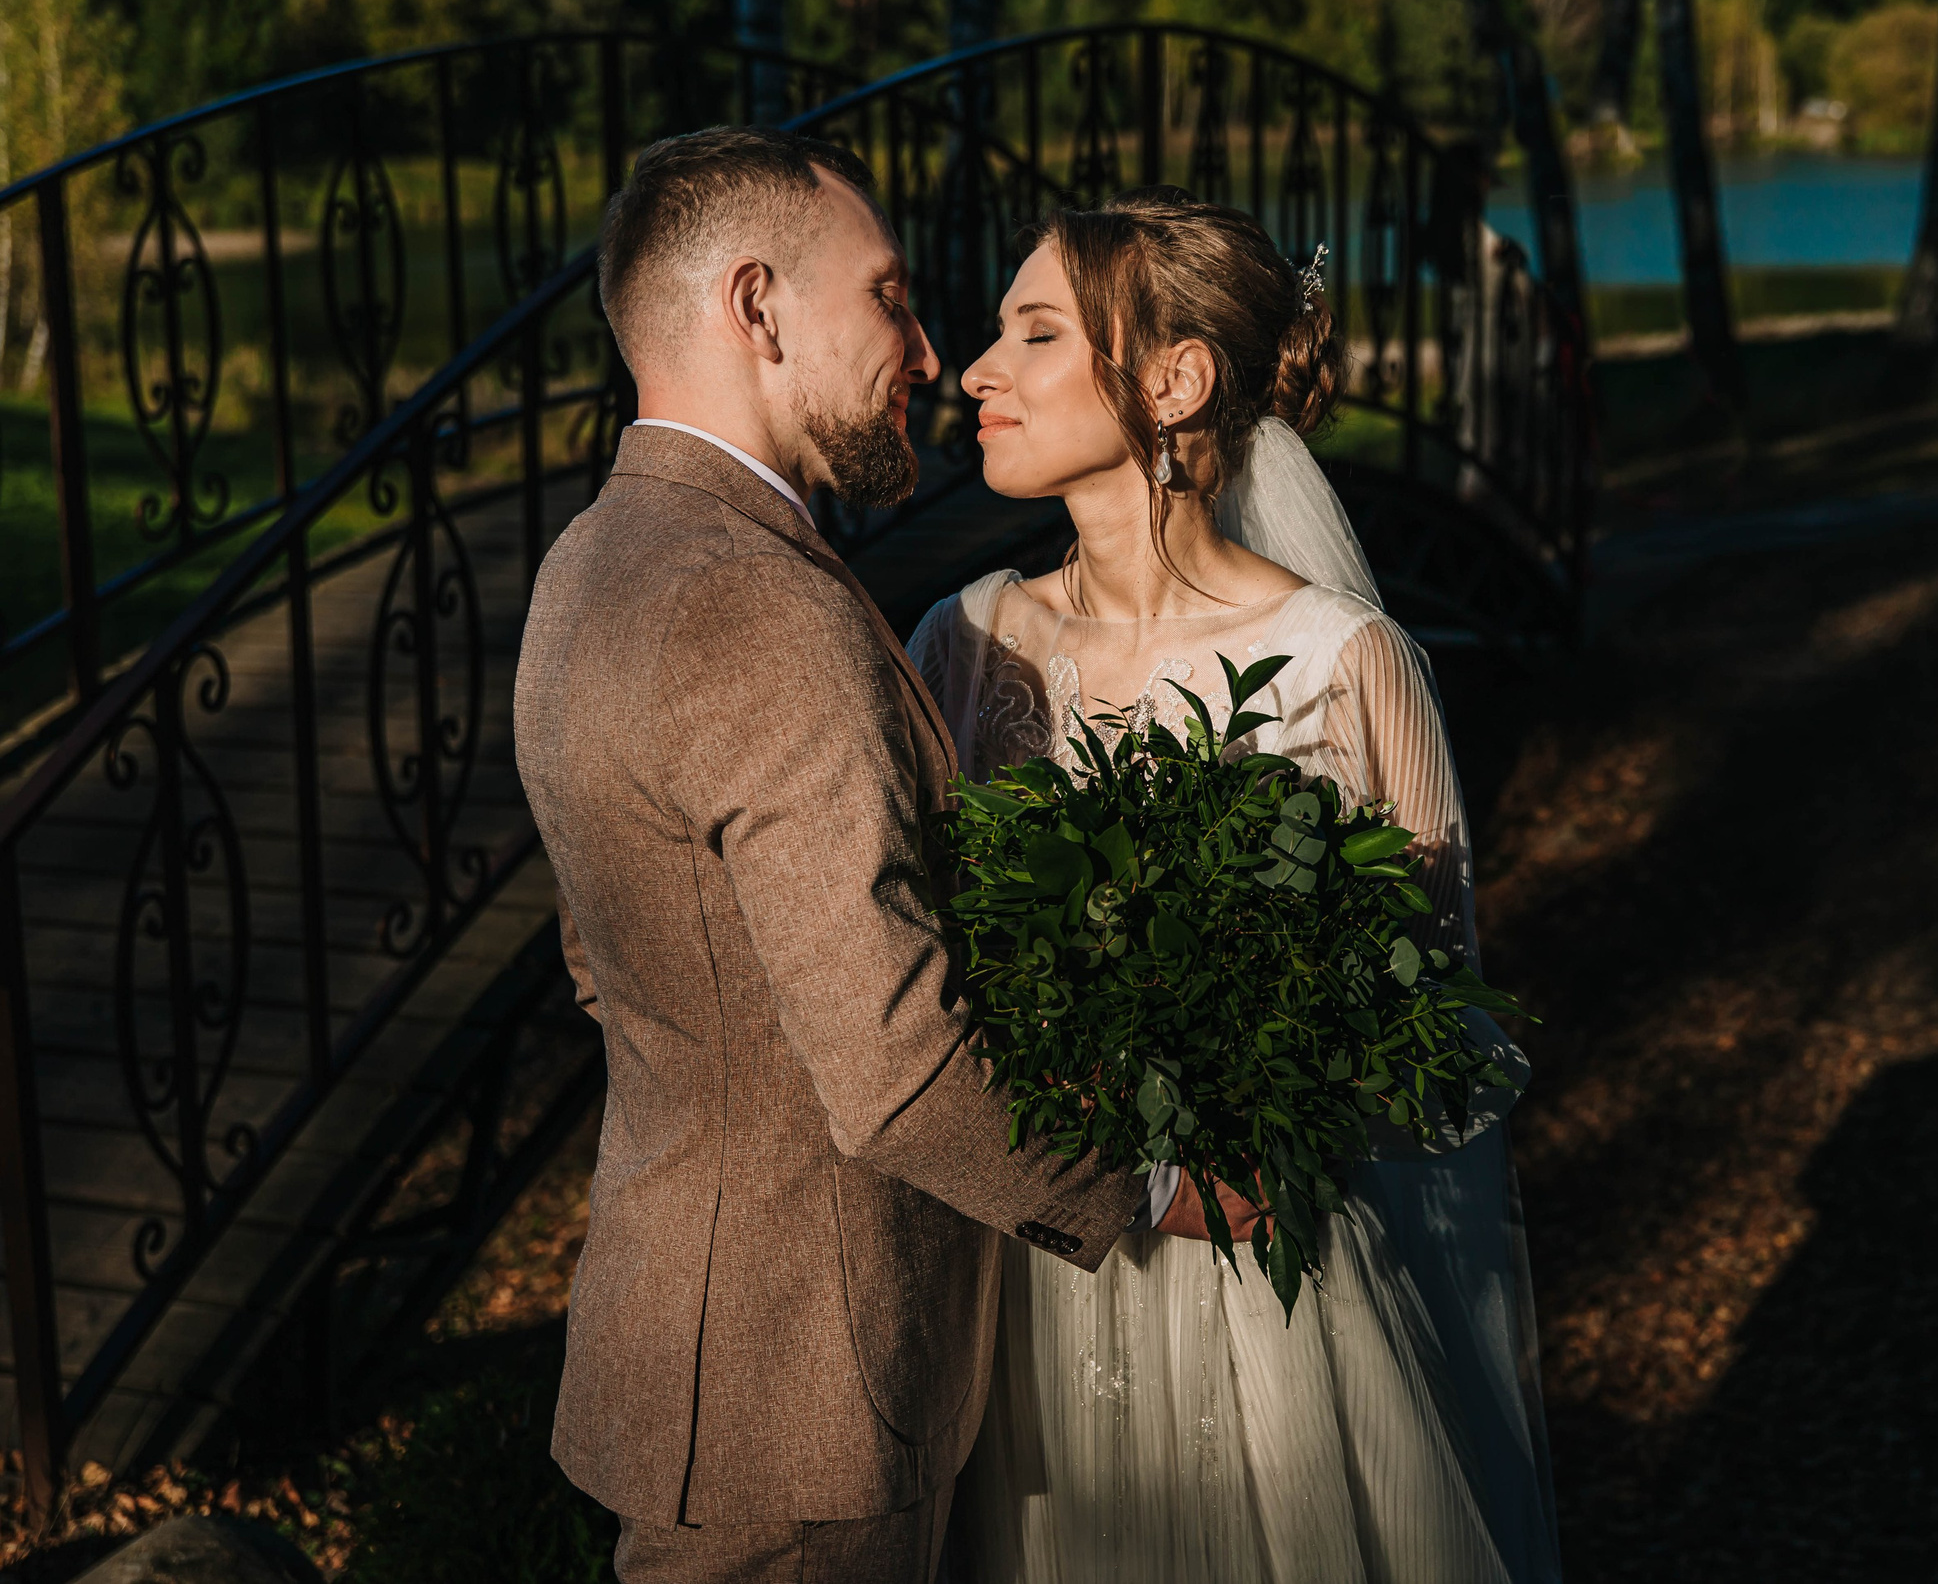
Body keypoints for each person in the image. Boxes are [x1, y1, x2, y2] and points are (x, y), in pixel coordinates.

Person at [514, 127, 1162, 1584]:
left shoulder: (592, 563)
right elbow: (900, 1069)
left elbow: (601, 957)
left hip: (690, 1354)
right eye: (888, 296)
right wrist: (1159, 1185)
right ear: (757, 306)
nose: (930, 351)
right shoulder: (757, 605)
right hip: (803, 1385)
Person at [907, 188, 1563, 1583]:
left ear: (1174, 378)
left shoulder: (1348, 659)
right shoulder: (959, 648)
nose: (977, 370)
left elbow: (1444, 1041)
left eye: (1032, 333)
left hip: (1275, 1308)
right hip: (1026, 1294)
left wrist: (1260, 1084)